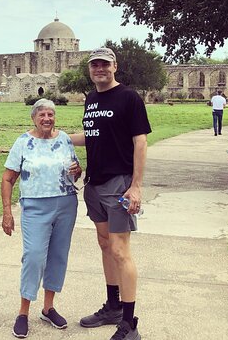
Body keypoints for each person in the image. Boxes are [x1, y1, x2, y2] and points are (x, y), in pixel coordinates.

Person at [70, 47, 151, 340]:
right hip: (95, 184)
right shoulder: (91, 99)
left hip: (119, 184)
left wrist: (136, 185)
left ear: (115, 66)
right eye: (95, 65)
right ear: (90, 70)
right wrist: (56, 137)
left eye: (105, 64)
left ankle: (129, 324)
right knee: (105, 244)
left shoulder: (128, 98)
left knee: (119, 249)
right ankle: (113, 305)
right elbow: (90, 136)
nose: (100, 69)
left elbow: (140, 142)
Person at [1, 98, 82, 338]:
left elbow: (74, 172)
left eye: (51, 115)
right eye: (42, 115)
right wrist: (7, 212)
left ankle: (48, 307)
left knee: (58, 256)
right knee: (34, 256)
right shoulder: (23, 142)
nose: (47, 119)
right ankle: (23, 312)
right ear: (34, 118)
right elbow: (7, 179)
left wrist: (78, 172)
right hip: (35, 206)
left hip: (66, 203)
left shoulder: (64, 139)